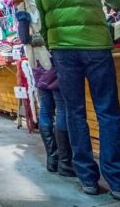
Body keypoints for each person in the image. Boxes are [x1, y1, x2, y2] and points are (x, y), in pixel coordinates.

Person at [33, 0, 120, 200]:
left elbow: (40, 24)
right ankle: (118, 183)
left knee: (75, 112)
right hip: (96, 47)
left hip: (63, 52)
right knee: (107, 111)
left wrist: (52, 45)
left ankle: (87, 178)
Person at [32, 44, 75, 177]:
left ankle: (52, 159)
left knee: (45, 110)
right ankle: (65, 162)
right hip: (54, 59)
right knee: (62, 109)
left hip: (37, 60)